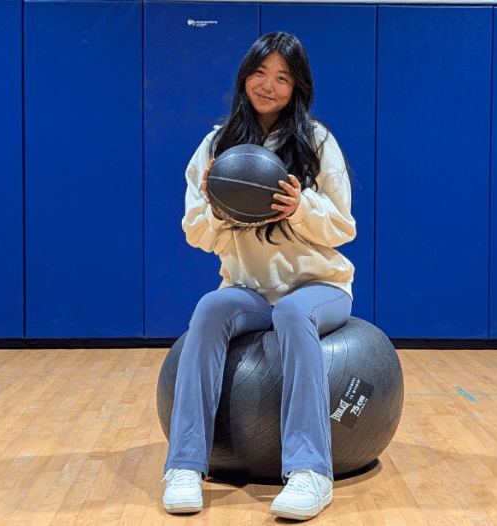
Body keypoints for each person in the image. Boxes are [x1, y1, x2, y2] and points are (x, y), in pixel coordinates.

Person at [161, 31, 355, 521]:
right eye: (260, 74)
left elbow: (343, 227)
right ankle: (184, 465)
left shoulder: (317, 141)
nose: (268, 86)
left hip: (319, 288)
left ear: (298, 87)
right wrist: (220, 210)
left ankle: (310, 472)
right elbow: (195, 233)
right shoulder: (216, 146)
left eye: (282, 78)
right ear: (245, 77)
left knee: (292, 312)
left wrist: (300, 206)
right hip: (249, 290)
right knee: (209, 307)